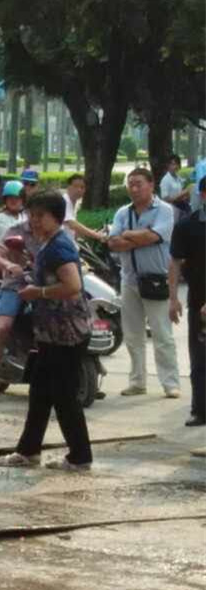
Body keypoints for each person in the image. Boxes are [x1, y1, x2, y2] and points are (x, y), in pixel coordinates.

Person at [0, 191, 94, 471]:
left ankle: (80, 457)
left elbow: (73, 286)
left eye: (41, 216)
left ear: (57, 217)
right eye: (32, 215)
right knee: (40, 391)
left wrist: (37, 292)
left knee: (64, 396)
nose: (35, 221)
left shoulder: (58, 247)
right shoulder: (48, 244)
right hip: (51, 333)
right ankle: (28, 452)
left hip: (66, 334)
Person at [108, 168, 180, 398]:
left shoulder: (165, 210)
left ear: (151, 184)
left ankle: (170, 383)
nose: (134, 188)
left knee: (162, 335)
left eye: (139, 183)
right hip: (129, 281)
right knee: (132, 335)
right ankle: (137, 382)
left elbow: (155, 237)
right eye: (131, 184)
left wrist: (128, 235)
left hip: (157, 280)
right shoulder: (122, 211)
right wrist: (140, 236)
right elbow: (113, 243)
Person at [0, 216, 43, 403]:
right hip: (14, 285)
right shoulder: (16, 230)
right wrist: (10, 265)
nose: (39, 216)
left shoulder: (51, 229)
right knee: (3, 327)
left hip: (43, 286)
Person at [169, 176, 206, 426]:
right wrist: (173, 298)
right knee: (200, 359)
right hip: (197, 303)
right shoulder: (187, 226)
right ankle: (201, 410)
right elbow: (175, 262)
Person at [62, 174, 108, 243]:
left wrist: (91, 233)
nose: (79, 190)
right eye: (75, 186)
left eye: (82, 187)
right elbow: (72, 224)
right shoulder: (64, 201)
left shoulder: (75, 203)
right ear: (68, 187)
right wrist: (96, 235)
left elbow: (70, 228)